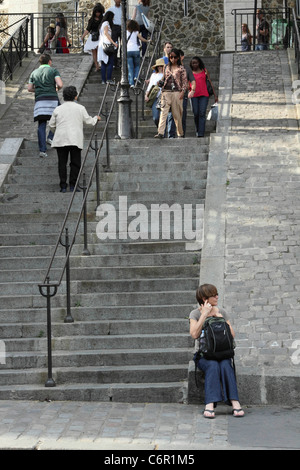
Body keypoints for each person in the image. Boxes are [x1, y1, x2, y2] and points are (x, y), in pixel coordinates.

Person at [189, 284, 245, 419]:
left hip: (222, 353)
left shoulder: (222, 312)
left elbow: (232, 335)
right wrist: (204, 315)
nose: (217, 297)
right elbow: (194, 334)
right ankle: (210, 404)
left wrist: (219, 316)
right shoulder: (195, 313)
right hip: (204, 355)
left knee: (226, 365)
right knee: (213, 366)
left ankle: (235, 402)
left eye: (217, 294)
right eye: (213, 295)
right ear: (204, 298)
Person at [49, 86, 101, 193]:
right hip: (75, 139)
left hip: (60, 139)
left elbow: (51, 125)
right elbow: (89, 121)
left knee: (62, 163)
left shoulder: (58, 109)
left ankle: (63, 186)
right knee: (75, 163)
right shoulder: (80, 108)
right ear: (75, 96)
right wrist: (96, 118)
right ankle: (73, 185)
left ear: (63, 97)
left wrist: (57, 132)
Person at [28, 53, 63, 158]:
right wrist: (56, 89)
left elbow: (29, 88)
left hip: (40, 100)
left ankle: (42, 150)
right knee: (59, 118)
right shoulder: (53, 71)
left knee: (41, 124)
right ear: (50, 61)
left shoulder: (34, 73)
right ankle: (51, 137)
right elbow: (60, 84)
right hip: (52, 99)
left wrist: (38, 89)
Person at [155, 48, 187, 139]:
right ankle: (160, 132)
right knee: (163, 112)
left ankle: (180, 133)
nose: (173, 59)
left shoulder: (181, 68)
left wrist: (183, 92)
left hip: (177, 92)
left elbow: (184, 82)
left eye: (175, 57)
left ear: (178, 58)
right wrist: (160, 82)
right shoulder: (166, 67)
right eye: (171, 57)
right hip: (166, 91)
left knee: (177, 114)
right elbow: (164, 78)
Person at [188, 56, 217, 138]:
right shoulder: (189, 73)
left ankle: (201, 132)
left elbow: (210, 82)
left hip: (204, 95)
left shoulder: (204, 71)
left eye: (196, 63)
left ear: (199, 63)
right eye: (193, 63)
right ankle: (197, 129)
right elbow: (187, 84)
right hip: (194, 95)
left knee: (202, 113)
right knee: (196, 113)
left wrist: (215, 95)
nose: (194, 64)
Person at [81, 4, 105, 70]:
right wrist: (83, 36)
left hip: (100, 36)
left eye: (99, 12)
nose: (97, 13)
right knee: (94, 51)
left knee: (99, 50)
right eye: (96, 12)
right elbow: (88, 29)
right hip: (93, 37)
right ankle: (96, 65)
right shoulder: (91, 20)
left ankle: (99, 64)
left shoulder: (103, 19)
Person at [97, 11, 118, 84]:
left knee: (104, 63)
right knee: (110, 62)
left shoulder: (103, 24)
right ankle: (108, 79)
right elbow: (106, 33)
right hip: (107, 44)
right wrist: (113, 42)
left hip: (102, 45)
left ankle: (103, 80)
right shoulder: (106, 23)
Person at [126, 20, 148, 87]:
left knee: (130, 68)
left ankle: (131, 83)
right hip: (136, 50)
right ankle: (136, 76)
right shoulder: (136, 32)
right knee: (137, 65)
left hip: (128, 50)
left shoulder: (125, 32)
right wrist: (148, 41)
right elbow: (142, 39)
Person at [179, 49, 195, 137]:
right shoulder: (169, 67)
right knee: (171, 116)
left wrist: (192, 90)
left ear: (182, 57)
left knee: (182, 115)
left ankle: (182, 134)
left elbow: (192, 81)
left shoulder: (187, 68)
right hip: (172, 95)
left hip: (183, 95)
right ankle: (171, 135)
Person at [145, 58, 164, 127]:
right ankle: (160, 130)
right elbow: (150, 86)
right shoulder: (153, 75)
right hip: (155, 97)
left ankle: (162, 132)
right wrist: (146, 95)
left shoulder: (167, 75)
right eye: (158, 66)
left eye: (161, 66)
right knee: (155, 118)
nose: (160, 67)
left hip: (164, 97)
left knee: (164, 117)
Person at [107, 0, 122, 66]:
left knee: (123, 45)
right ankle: (114, 62)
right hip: (114, 27)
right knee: (115, 45)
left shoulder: (123, 9)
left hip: (122, 27)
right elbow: (105, 16)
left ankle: (122, 61)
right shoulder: (111, 9)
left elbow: (128, 17)